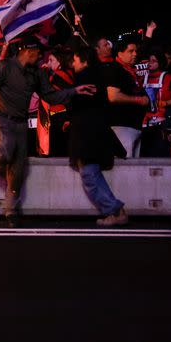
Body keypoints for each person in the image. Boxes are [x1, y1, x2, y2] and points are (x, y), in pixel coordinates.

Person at [0, 36, 97, 227]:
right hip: (0, 118)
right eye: (39, 52)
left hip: (20, 123)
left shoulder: (37, 73)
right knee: (3, 154)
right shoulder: (3, 67)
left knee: (17, 170)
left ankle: (10, 210)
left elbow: (50, 96)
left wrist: (74, 91)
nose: (42, 55)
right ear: (28, 51)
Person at [69, 47, 128, 226]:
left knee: (90, 175)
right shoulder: (97, 77)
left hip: (87, 136)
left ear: (84, 61)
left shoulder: (85, 80)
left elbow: (79, 107)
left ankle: (114, 210)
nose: (72, 64)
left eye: (75, 59)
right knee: (91, 173)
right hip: (93, 134)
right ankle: (115, 210)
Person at [103, 33, 149, 158]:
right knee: (125, 167)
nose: (135, 54)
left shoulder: (129, 70)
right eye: (131, 51)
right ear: (120, 53)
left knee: (133, 169)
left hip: (133, 126)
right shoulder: (115, 69)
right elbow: (113, 96)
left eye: (136, 51)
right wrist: (138, 100)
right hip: (121, 127)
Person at [140, 50, 171, 157]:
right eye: (149, 61)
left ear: (160, 63)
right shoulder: (142, 78)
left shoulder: (169, 78)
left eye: (154, 61)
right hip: (144, 124)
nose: (150, 63)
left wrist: (165, 103)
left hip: (163, 125)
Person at [37, 46, 74, 157]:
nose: (48, 63)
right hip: (63, 117)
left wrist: (43, 73)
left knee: (58, 152)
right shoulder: (68, 74)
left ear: (60, 63)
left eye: (51, 60)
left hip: (59, 118)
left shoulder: (59, 76)